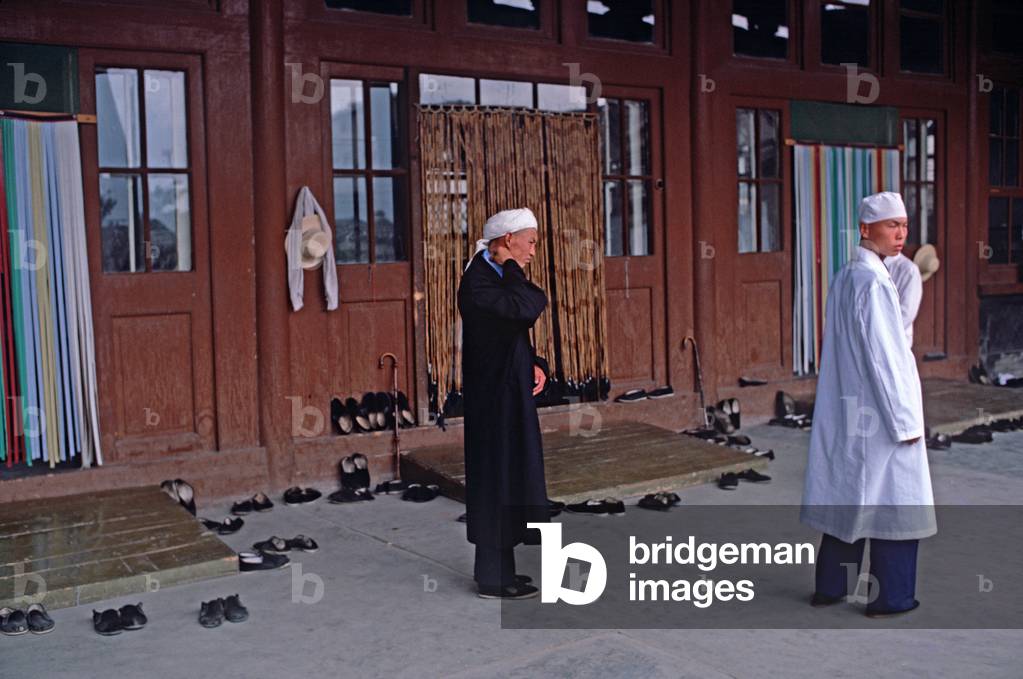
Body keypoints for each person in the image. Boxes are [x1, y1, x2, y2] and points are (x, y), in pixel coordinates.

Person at [801, 191, 935, 618]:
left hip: (851, 405)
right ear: (865, 229)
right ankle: (890, 597)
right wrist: (906, 421)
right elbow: (885, 358)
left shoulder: (846, 277)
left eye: (904, 226)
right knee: (895, 500)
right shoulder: (873, 282)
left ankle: (832, 586)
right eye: (891, 225)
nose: (901, 234)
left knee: (848, 492)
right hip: (880, 412)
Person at [457, 207, 550, 600]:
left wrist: (534, 362)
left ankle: (503, 572)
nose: (532, 251)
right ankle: (493, 579)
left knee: (510, 476)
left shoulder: (493, 275)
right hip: (492, 397)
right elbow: (527, 307)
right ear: (508, 240)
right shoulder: (478, 280)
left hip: (508, 386)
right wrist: (511, 266)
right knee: (496, 478)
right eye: (528, 243)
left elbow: (515, 322)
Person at [884, 250, 922, 347]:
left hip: (895, 344)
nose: (900, 236)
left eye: (905, 233)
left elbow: (906, 314)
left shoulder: (909, 270)